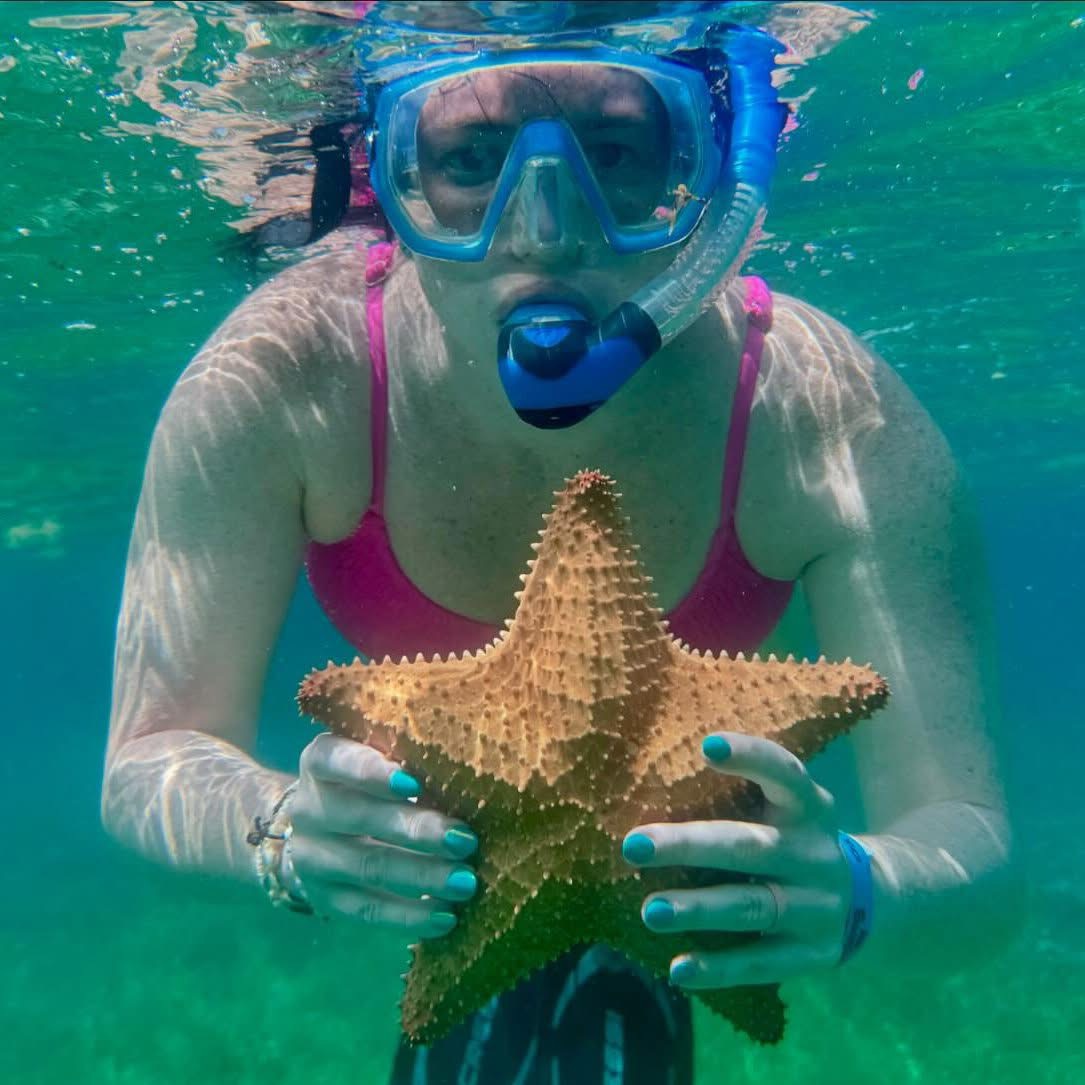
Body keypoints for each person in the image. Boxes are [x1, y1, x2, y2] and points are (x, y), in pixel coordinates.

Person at [102, 17, 1017, 1085]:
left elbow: (979, 870)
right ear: (389, 178)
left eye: (618, 154)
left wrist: (864, 888)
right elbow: (147, 763)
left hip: (642, 844)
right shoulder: (278, 379)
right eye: (468, 161)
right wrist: (280, 834)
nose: (542, 231)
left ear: (713, 187)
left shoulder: (831, 418)